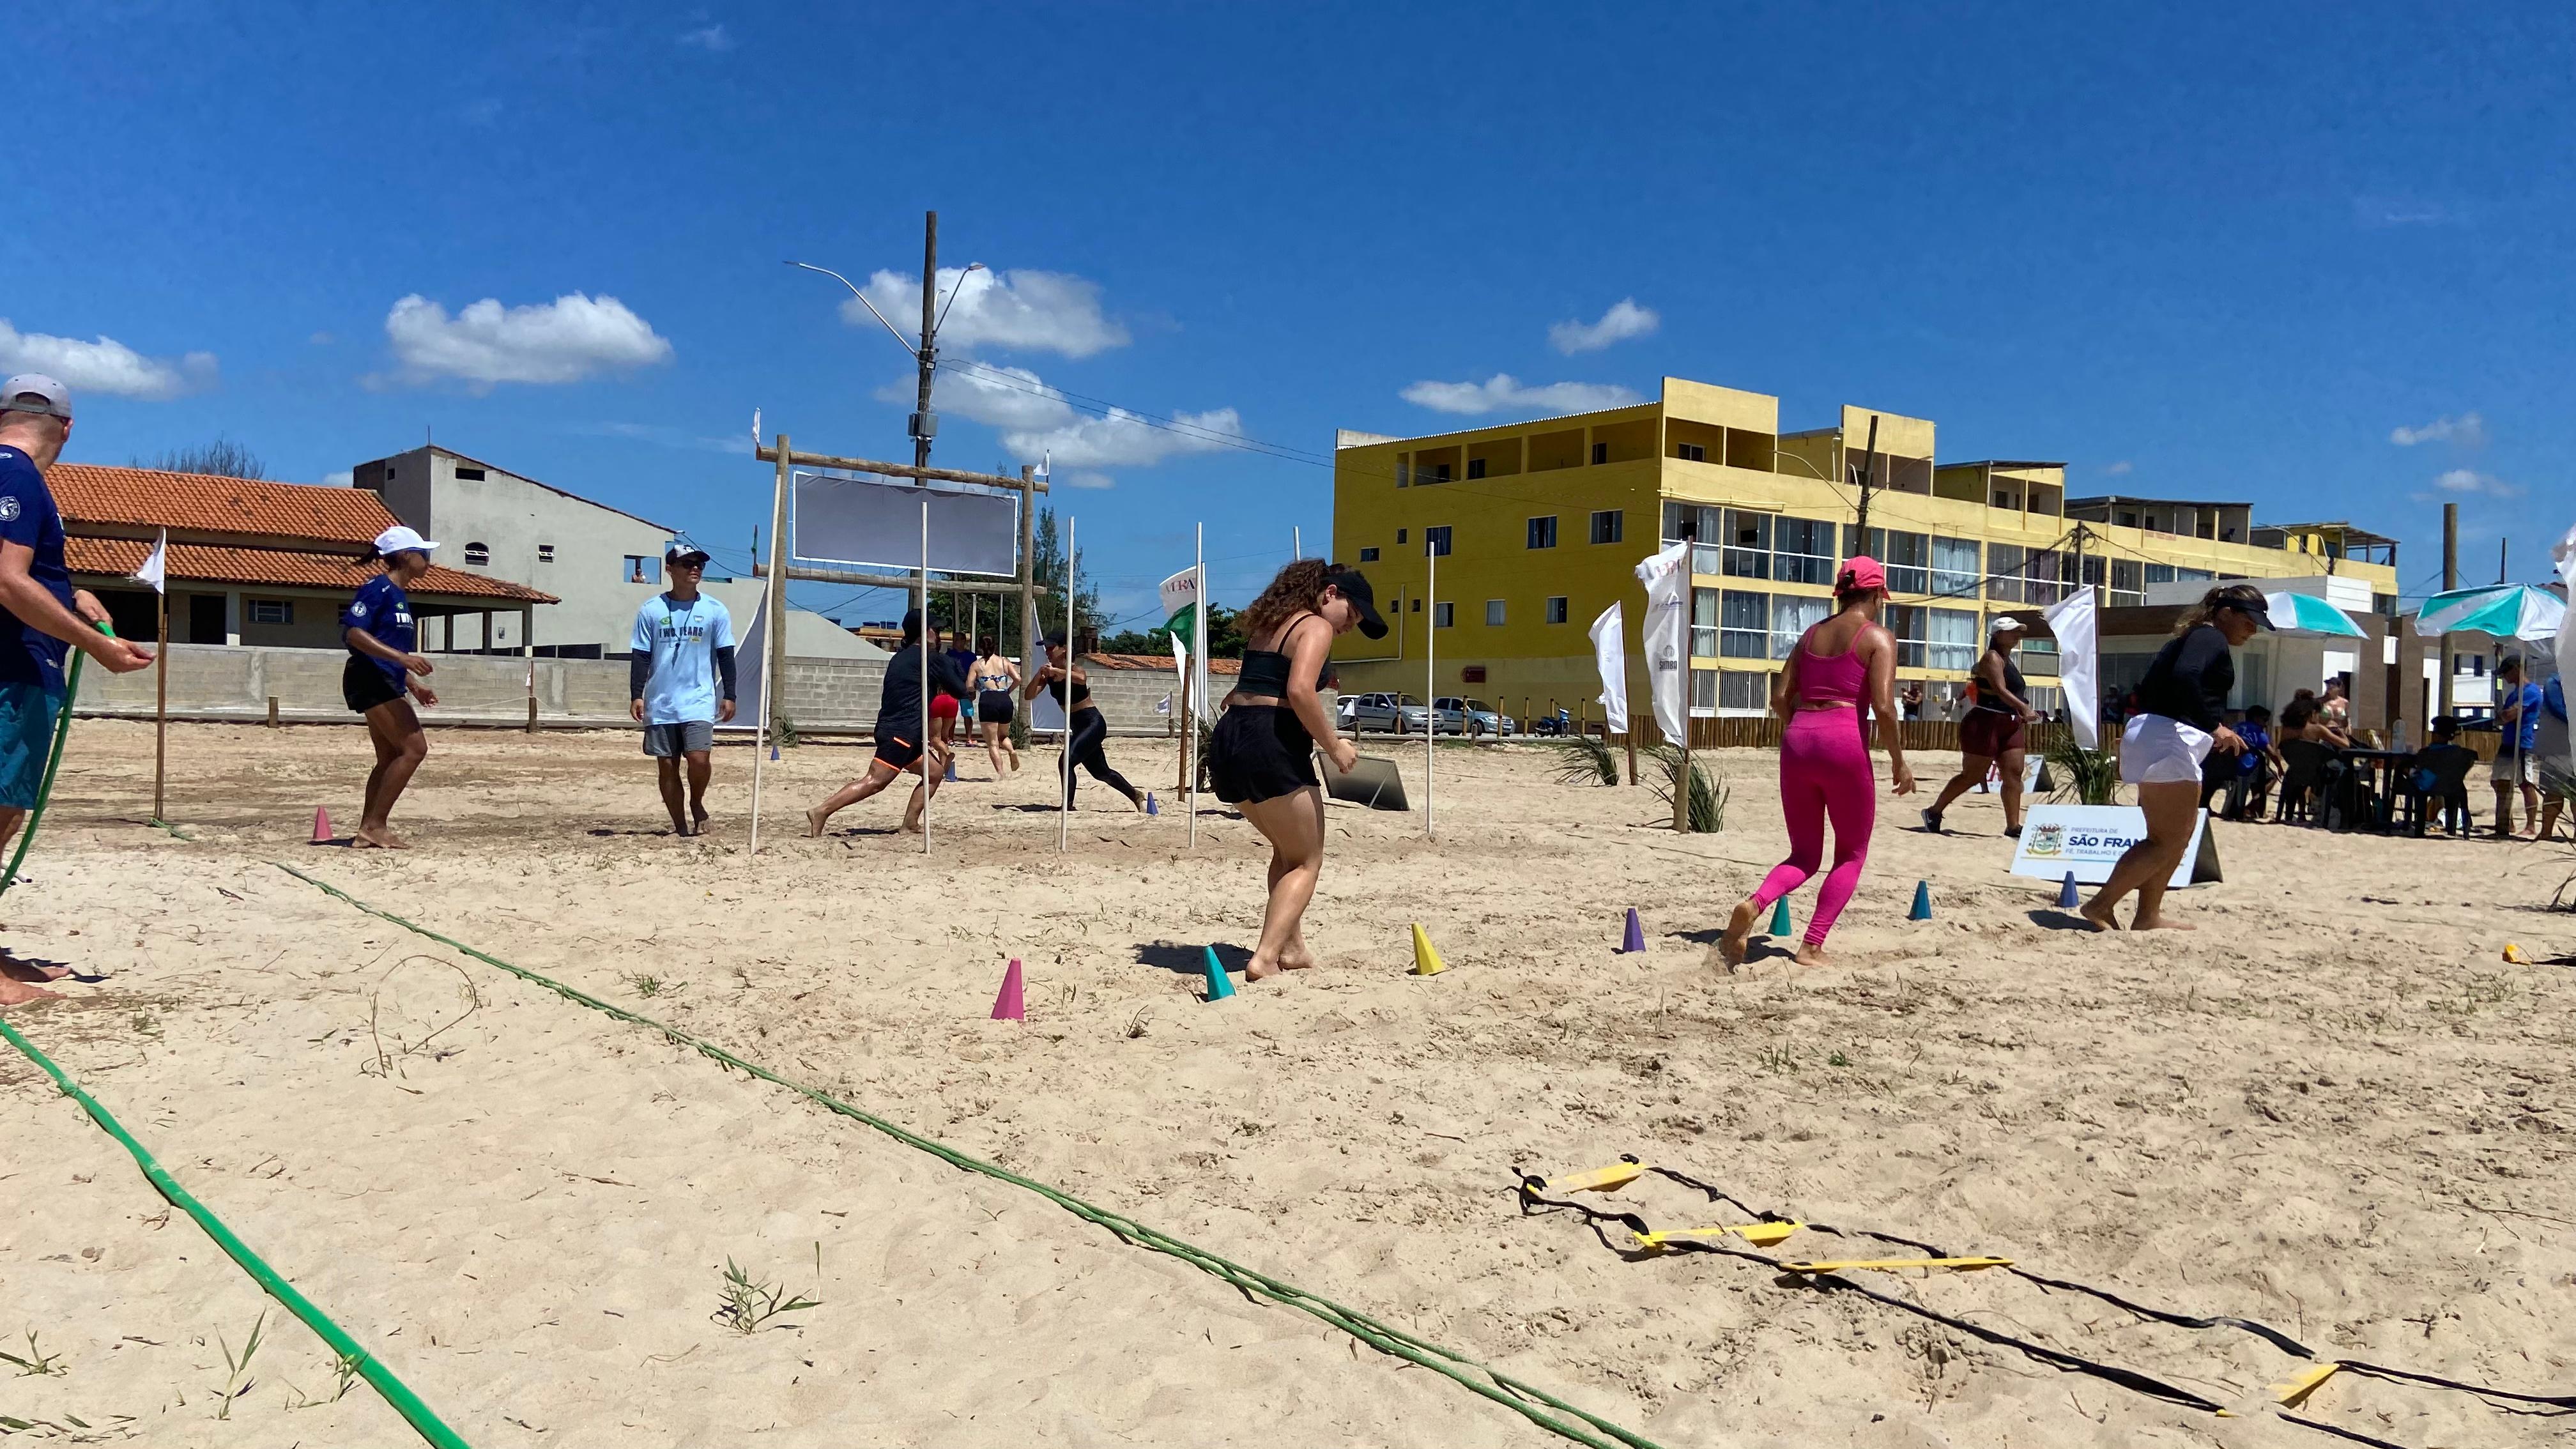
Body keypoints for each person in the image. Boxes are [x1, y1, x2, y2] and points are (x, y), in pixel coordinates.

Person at [0, 376, 155, 1008]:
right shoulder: (16, 475)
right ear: (67, 428)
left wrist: (71, 596)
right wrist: (96, 645)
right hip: (12, 668)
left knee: (7, 809)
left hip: (20, 663)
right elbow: (7, 581)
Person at [1721, 557, 1916, 968]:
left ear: (1841, 593)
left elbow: (1779, 697)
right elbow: (1884, 707)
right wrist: (1899, 761)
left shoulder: (1810, 635)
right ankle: (1811, 945)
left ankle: (1755, 904)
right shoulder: (1878, 638)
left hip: (1798, 740)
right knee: (1851, 854)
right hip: (1844, 740)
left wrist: (1803, 729)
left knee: (1804, 855)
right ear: (1877, 595)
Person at [1209, 562, 1385, 981]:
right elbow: (1300, 690)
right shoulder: (1316, 627)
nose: (1350, 627)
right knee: (1308, 861)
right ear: (1330, 593)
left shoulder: (1269, 624)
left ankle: (1292, 948)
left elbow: (1240, 693)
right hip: (1270, 742)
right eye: (1352, 614)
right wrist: (1335, 746)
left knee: (1287, 854)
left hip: (1230, 740)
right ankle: (1265, 958)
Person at [2080, 584, 2269, 931]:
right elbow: (2186, 677)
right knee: (2167, 841)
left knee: (2170, 838)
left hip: (2156, 732)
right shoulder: (2210, 637)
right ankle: (2101, 904)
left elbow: (2161, 687)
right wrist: (2214, 726)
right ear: (2225, 613)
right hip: (2169, 738)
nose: (2253, 630)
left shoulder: (2189, 638)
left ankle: (2148, 915)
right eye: (2250, 621)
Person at [804, 608, 968, 836]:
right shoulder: (929, 659)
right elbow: (961, 691)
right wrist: (972, 677)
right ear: (923, 631)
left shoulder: (900, 658)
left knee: (934, 772)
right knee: (875, 781)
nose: (939, 635)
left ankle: (910, 823)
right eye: (936, 630)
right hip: (902, 733)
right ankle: (822, 811)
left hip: (900, 731)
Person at [341, 525, 441, 849]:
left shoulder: (399, 595)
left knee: (388, 757)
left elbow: (388, 650)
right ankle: (375, 826)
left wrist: (412, 684)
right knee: (414, 749)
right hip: (369, 678)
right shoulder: (378, 588)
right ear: (406, 556)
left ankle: (368, 829)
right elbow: (354, 633)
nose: (429, 561)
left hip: (384, 679)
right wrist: (404, 658)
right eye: (424, 554)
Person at [629, 544, 736, 836]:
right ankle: (680, 827)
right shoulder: (651, 610)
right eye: (687, 564)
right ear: (670, 569)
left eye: (699, 564)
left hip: (699, 698)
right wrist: (637, 694)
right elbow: (641, 655)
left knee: (699, 758)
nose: (695, 569)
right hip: (661, 701)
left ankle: (697, 803)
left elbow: (726, 654)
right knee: (667, 765)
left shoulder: (715, 610)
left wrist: (730, 694)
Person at [1922, 617, 2038, 838]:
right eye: (2012, 631)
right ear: (1997, 635)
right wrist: (2024, 707)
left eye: (2018, 631)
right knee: (1972, 776)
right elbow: (2001, 690)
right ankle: (1934, 811)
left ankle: (2013, 825)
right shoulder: (1991, 658)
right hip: (1985, 722)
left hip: (2009, 723)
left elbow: (2011, 692)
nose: (2017, 635)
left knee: (2014, 774)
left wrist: (2023, 709)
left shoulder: (2007, 660)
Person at [1027, 634, 1143, 810]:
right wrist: (1039, 674)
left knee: (1066, 761)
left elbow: (1081, 679)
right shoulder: (1048, 675)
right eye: (1046, 649)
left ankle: (1068, 806)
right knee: (1101, 772)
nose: (1048, 652)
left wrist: (1057, 672)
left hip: (1092, 723)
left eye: (1051, 648)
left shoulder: (1075, 669)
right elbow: (1029, 695)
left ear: (1064, 649)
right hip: (1078, 726)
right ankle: (1135, 795)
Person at [2490, 656, 2542, 839]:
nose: (2504, 677)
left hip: (2522, 743)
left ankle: (2531, 825)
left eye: (2506, 672)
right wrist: (2503, 716)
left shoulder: (2531, 692)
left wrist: (2504, 716)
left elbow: (2508, 716)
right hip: (2508, 742)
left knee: (2526, 784)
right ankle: (2506, 821)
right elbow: (2502, 717)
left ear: (2516, 669)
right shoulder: (2515, 693)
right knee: (2498, 781)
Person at [970, 634, 1021, 779]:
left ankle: (1001, 774)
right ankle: (1011, 751)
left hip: (988, 700)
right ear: (995, 646)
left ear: (980, 647)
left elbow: (969, 685)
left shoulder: (977, 665)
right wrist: (1008, 691)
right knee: (1003, 736)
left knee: (993, 743)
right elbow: (1018, 679)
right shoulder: (1004, 661)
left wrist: (976, 688)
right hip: (1004, 699)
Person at [2533, 674, 2568, 842]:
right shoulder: (2555, 683)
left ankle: (2546, 832)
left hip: (2560, 746)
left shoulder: (2554, 682)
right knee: (2554, 791)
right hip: (2558, 746)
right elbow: (2558, 709)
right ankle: (2546, 832)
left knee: (2555, 792)